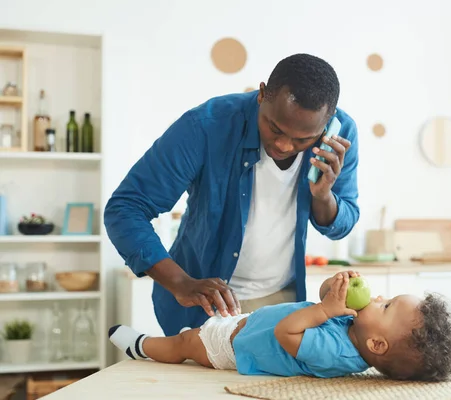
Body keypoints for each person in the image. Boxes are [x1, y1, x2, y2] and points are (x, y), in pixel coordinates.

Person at [104, 54, 360, 336]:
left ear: (328, 123)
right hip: (204, 305)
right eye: (274, 128)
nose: (284, 145)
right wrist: (180, 282)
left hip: (283, 301)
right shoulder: (206, 126)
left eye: (303, 140)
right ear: (262, 94)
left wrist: (322, 196)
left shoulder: (340, 135)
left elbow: (341, 226)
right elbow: (126, 208)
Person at [108, 271, 451, 381]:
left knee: (185, 343)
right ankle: (149, 344)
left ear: (378, 346)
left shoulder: (337, 353)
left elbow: (286, 333)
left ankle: (142, 347)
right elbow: (321, 298)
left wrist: (325, 308)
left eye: (385, 306)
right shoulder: (356, 325)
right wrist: (334, 289)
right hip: (246, 326)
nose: (378, 297)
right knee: (189, 336)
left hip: (235, 347)